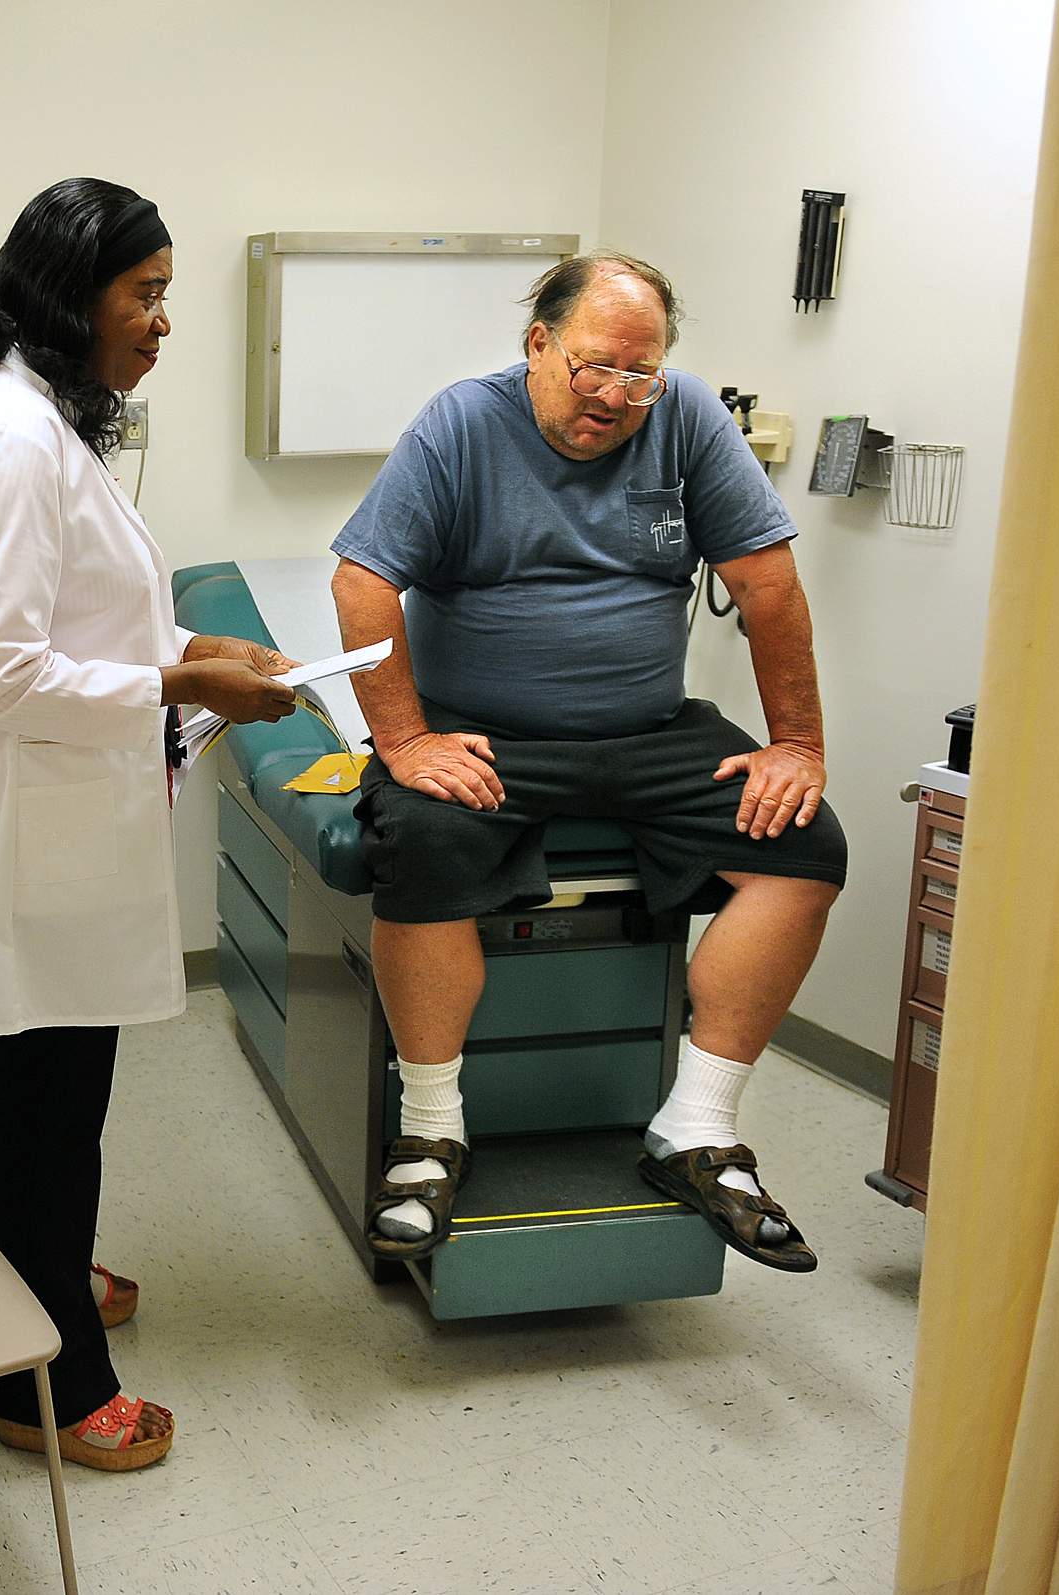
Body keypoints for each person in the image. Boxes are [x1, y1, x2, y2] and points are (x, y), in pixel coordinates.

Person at [329, 251, 847, 1274]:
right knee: (422, 841)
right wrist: (405, 739)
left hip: (651, 729)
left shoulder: (687, 418)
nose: (615, 396)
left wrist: (798, 745)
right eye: (594, 367)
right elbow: (362, 582)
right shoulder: (462, 424)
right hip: (488, 732)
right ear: (539, 345)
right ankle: (432, 1133)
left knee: (805, 846)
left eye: (639, 375)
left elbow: (769, 585)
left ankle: (696, 1127)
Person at [0, 178, 295, 1471]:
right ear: (68, 289)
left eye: (163, 294)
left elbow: (76, 615)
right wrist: (180, 681)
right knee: (45, 1101)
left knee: (56, 1096)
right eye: (142, 294)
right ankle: (45, 1386)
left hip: (67, 819)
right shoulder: (14, 440)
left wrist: (190, 643)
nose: (161, 322)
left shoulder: (37, 419)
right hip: (37, 832)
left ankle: (41, 1273)